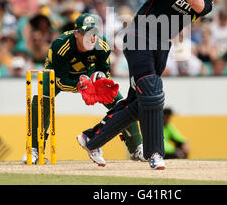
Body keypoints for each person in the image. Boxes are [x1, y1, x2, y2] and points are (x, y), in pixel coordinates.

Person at [76, 0, 227, 170]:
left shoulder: (207, 0)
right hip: (139, 35)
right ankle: (155, 153)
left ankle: (91, 139)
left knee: (139, 103)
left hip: (162, 45)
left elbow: (195, 4)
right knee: (153, 91)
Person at [21, 13, 145, 165]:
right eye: (86, 33)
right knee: (41, 100)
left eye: (94, 33)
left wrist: (99, 81)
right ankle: (34, 149)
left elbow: (104, 73)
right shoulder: (61, 45)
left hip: (88, 74)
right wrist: (81, 87)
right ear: (76, 34)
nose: (91, 38)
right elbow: (60, 81)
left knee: (121, 102)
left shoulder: (102, 45)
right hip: (57, 74)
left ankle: (136, 147)